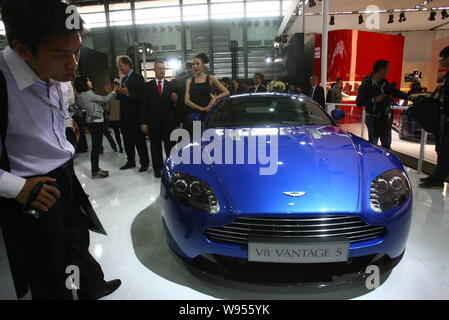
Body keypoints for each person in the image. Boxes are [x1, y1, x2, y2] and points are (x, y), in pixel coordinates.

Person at [0, 0, 120, 300]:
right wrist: (18, 188)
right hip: (31, 188)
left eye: (77, 50)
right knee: (48, 269)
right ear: (23, 49)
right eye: (61, 54)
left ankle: (91, 288)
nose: (73, 63)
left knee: (76, 240)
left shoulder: (53, 73)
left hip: (64, 174)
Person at [356, 60, 408, 150]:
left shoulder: (384, 82)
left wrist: (408, 96)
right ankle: (373, 162)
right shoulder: (367, 83)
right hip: (372, 118)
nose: (388, 71)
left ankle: (387, 163)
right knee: (373, 144)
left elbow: (393, 91)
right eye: (387, 69)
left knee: (387, 144)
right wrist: (374, 100)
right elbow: (359, 102)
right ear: (381, 70)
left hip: (385, 117)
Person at [140, 61, 178, 178]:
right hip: (153, 123)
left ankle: (170, 168)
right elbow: (143, 106)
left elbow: (174, 108)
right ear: (154, 70)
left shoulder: (171, 86)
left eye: (163, 68)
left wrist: (175, 101)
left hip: (168, 124)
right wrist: (143, 122)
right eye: (159, 68)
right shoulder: (147, 86)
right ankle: (158, 170)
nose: (162, 70)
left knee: (170, 148)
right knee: (155, 148)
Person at [74, 76, 116, 179]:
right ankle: (95, 171)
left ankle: (96, 169)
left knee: (96, 147)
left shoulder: (81, 94)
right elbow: (105, 99)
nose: (90, 82)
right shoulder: (87, 94)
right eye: (88, 80)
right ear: (84, 83)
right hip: (96, 122)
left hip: (93, 122)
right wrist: (114, 91)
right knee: (96, 148)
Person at [419, 46, 449, 189]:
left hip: (446, 119)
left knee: (444, 148)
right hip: (443, 119)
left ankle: (438, 177)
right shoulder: (447, 76)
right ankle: (438, 176)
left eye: (443, 58)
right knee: (442, 148)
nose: (441, 61)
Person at [115, 55, 150, 172]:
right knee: (127, 141)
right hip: (125, 117)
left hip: (135, 116)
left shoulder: (138, 77)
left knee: (139, 141)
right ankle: (130, 161)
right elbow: (122, 97)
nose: (120, 68)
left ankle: (144, 163)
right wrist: (116, 92)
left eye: (120, 66)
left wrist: (128, 93)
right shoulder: (124, 79)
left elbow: (142, 96)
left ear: (127, 64)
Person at [184, 53, 229, 133]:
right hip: (193, 116)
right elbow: (186, 101)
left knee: (207, 140)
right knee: (194, 141)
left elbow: (226, 92)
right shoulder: (189, 80)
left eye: (197, 64)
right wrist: (201, 108)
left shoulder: (211, 78)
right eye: (193, 64)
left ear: (203, 64)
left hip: (208, 115)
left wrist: (214, 99)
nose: (195, 66)